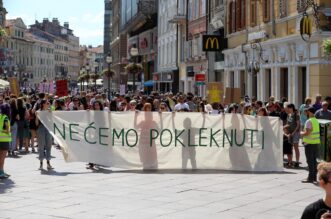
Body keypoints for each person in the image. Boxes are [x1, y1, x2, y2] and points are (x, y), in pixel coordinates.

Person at [301, 106, 320, 183]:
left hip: (309, 143)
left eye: (307, 112)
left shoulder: (309, 121)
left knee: (310, 161)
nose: (306, 113)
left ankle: (310, 178)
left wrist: (301, 133)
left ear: (310, 112)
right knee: (314, 160)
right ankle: (314, 177)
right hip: (315, 143)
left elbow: (307, 132)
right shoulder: (316, 120)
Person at [35, 100, 53, 170]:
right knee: (41, 146)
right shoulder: (38, 111)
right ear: (43, 104)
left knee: (49, 145)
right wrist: (36, 117)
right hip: (41, 129)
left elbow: (52, 121)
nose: (48, 104)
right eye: (47, 103)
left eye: (48, 103)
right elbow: (36, 123)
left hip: (48, 129)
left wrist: (50, 113)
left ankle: (48, 163)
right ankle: (41, 163)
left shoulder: (49, 111)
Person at [286, 103, 301, 167]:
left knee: (296, 147)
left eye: (288, 108)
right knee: (290, 147)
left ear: (291, 108)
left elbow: (298, 125)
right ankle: (290, 161)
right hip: (289, 133)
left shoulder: (296, 115)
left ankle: (297, 162)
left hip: (295, 133)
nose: (287, 109)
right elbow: (288, 124)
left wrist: (293, 133)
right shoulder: (288, 115)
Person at [0, 104, 11, 179]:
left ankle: (2, 171)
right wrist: (5, 131)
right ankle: (1, 172)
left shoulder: (0, 116)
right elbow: (7, 130)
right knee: (2, 158)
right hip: (4, 140)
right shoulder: (6, 118)